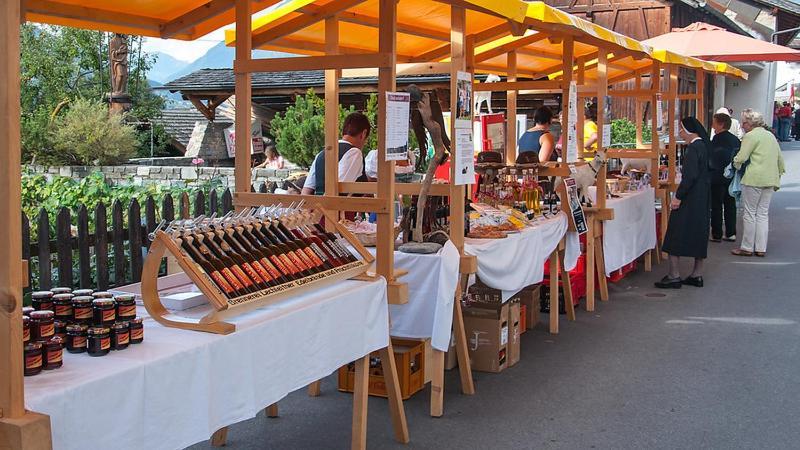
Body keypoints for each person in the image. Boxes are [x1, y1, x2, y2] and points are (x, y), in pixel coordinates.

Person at [656, 117, 711, 289]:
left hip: (690, 197)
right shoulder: (705, 146)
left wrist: (678, 197)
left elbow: (690, 177)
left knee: (674, 234)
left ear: (689, 130)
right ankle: (697, 274)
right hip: (703, 197)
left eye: (681, 129)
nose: (679, 132)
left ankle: (674, 275)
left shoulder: (694, 148)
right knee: (699, 234)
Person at [730, 109, 786, 257]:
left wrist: (734, 164)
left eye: (744, 122)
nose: (742, 125)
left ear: (750, 123)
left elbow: (741, 157)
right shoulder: (770, 136)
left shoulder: (750, 136)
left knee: (749, 213)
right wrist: (778, 174)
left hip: (754, 178)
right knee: (762, 214)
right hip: (770, 178)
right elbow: (780, 159)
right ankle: (761, 248)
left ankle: (747, 247)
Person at [301, 112, 370, 195]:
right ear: (363, 134)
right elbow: (337, 192)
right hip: (339, 207)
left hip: (316, 205)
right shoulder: (354, 153)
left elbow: (306, 190)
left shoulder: (321, 153)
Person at [708, 112, 740, 242]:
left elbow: (712, 158)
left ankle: (716, 233)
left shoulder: (716, 139)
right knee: (730, 204)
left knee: (716, 205)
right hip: (731, 175)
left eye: (714, 122)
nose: (712, 125)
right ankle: (731, 232)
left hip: (716, 176)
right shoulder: (735, 139)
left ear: (721, 124)